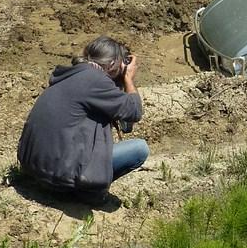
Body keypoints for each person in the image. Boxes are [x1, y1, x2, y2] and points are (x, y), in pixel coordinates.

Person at [17, 36, 148, 204]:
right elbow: (134, 111)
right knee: (139, 149)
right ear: (112, 64)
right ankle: (87, 192)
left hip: (33, 170)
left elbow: (125, 125)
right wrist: (128, 79)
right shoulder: (95, 80)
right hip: (59, 178)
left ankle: (78, 185)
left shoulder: (70, 75)